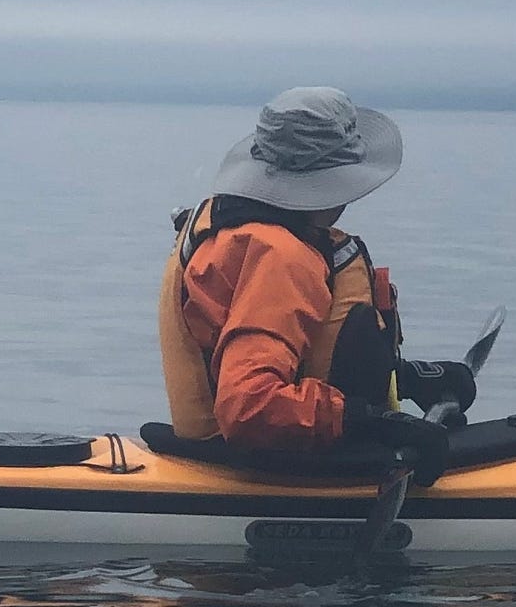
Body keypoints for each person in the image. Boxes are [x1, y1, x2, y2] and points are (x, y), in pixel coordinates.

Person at [159, 87, 476, 485]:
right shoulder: (281, 259)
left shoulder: (241, 231)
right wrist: (371, 421)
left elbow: (303, 356)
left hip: (275, 446)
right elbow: (249, 406)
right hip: (272, 463)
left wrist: (406, 378)